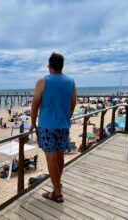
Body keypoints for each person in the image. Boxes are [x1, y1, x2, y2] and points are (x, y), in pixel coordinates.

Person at [31, 53, 76, 203]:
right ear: (62, 66)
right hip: (63, 125)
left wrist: (32, 123)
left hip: (47, 126)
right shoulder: (71, 82)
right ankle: (57, 184)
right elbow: (72, 104)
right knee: (59, 157)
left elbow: (35, 105)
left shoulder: (42, 81)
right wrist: (66, 118)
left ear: (49, 66)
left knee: (51, 160)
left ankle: (57, 193)